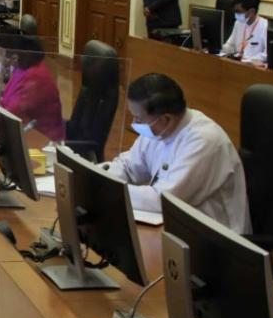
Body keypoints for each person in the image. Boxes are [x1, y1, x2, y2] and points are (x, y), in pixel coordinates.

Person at [106, 73, 249, 228]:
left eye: (138, 118)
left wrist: (112, 191)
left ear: (166, 119)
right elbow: (128, 166)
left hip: (214, 233)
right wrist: (102, 179)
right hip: (178, 223)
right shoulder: (158, 129)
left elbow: (163, 200)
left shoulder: (204, 141)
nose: (135, 123)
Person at [0, 34, 66, 141]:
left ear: (28, 55)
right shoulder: (22, 68)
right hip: (26, 130)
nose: (15, 57)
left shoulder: (36, 77)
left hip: (44, 139)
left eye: (18, 53)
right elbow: (8, 96)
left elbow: (14, 112)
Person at [219, 0, 268, 66]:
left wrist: (250, 60)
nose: (236, 14)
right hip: (237, 63)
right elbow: (230, 44)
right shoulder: (238, 23)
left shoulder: (265, 26)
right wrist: (220, 49)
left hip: (253, 67)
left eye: (238, 11)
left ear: (251, 11)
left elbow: (266, 54)